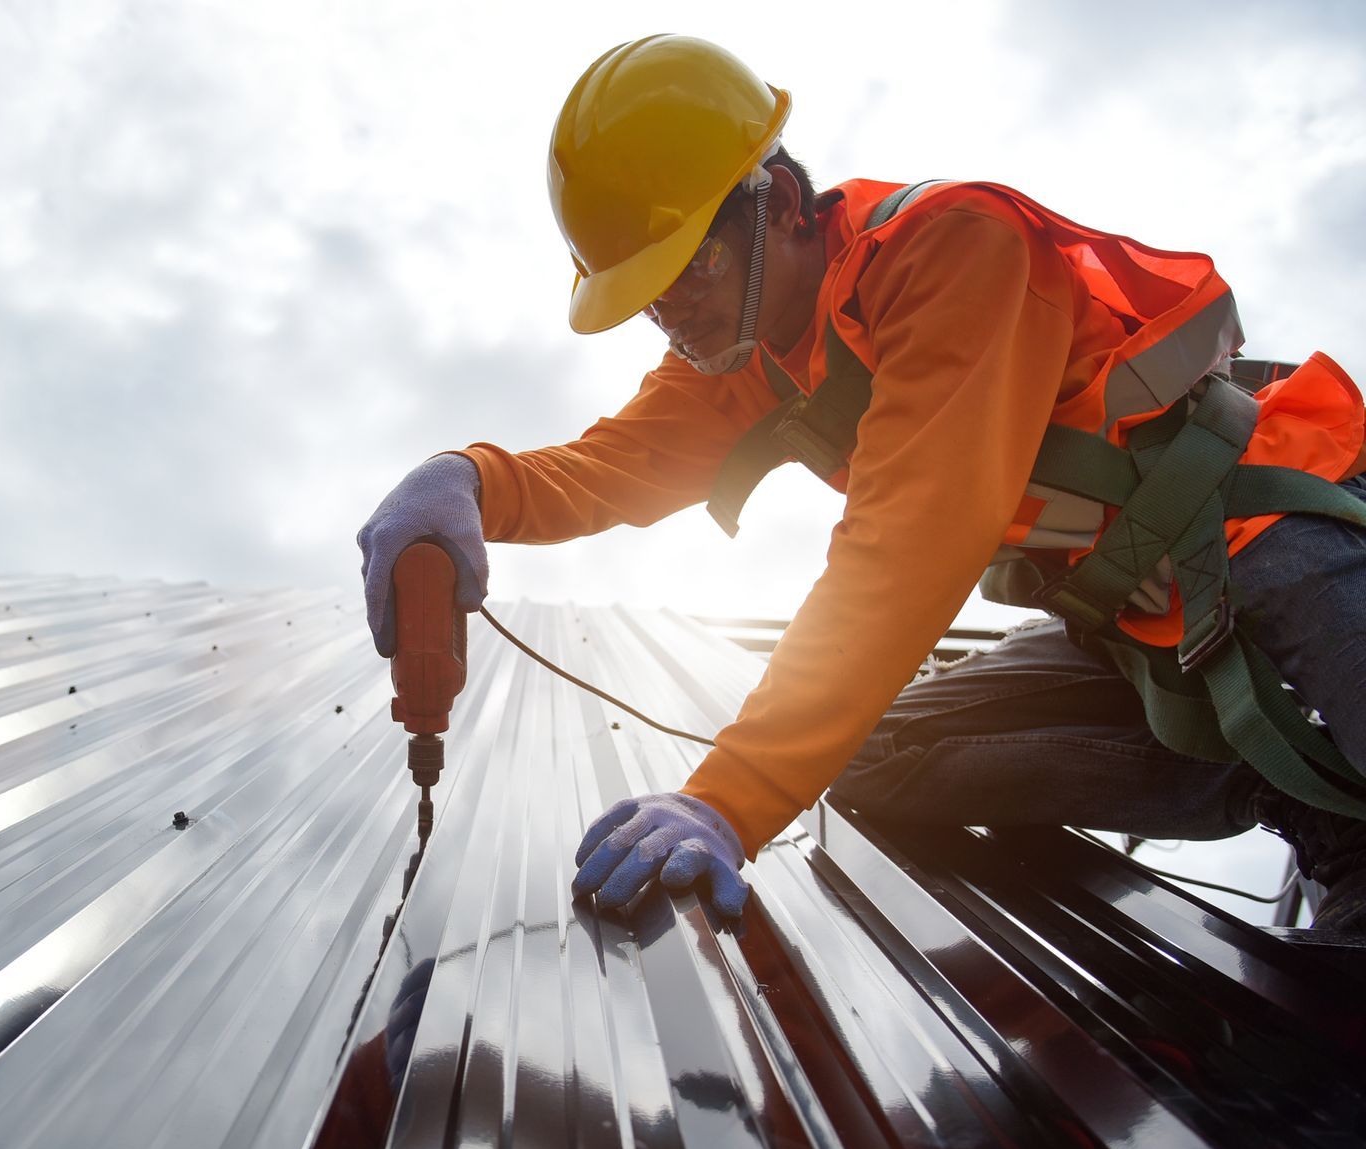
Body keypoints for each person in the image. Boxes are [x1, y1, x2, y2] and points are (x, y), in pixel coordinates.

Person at [356, 34, 1366, 931]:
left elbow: (907, 545)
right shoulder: (748, 354)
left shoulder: (953, 249)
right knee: (872, 761)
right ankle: (1279, 784)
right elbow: (613, 465)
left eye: (690, 274)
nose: (674, 320)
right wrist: (467, 483)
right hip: (1133, 625)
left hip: (1270, 541)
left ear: (782, 206)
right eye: (649, 303)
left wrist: (732, 795)